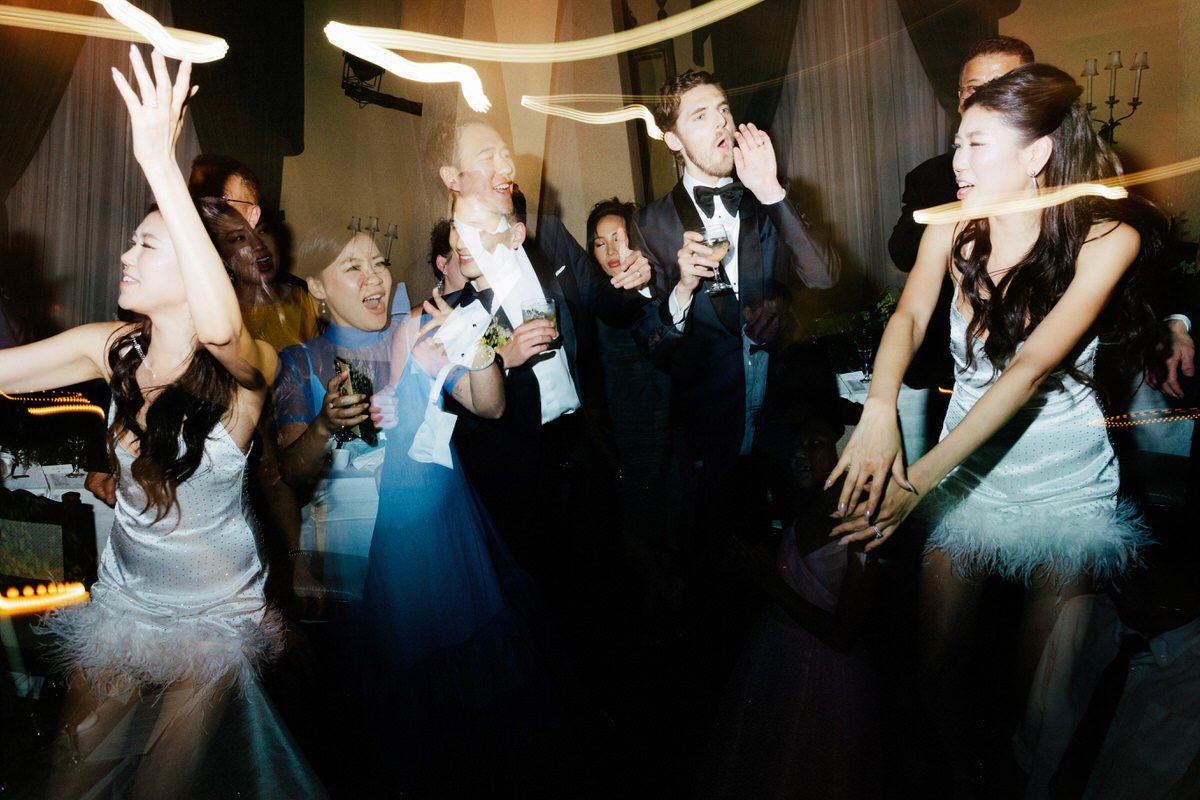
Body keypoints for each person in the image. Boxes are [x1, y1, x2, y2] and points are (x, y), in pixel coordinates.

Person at [827, 63, 1157, 784]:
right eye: (956, 143)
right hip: (972, 476)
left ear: (1036, 155)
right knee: (935, 672)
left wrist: (917, 481)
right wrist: (881, 408)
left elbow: (1031, 366)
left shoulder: (1107, 239)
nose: (956, 161)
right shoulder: (952, 226)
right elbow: (910, 315)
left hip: (1066, 482)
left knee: (1046, 700)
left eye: (977, 145)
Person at [3, 49, 319, 797]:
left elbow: (217, 329)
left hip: (214, 615)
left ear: (194, 263)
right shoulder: (110, 347)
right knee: (70, 780)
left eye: (146, 244)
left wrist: (160, 164)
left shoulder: (255, 369)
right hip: (126, 598)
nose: (123, 253)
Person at [429, 117, 651, 594]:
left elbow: (606, 303)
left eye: (504, 153)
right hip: (518, 464)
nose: (504, 163)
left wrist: (641, 280)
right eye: (487, 155)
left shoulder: (546, 235)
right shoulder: (451, 268)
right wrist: (500, 356)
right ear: (453, 177)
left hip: (581, 438)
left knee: (610, 581)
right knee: (549, 595)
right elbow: (456, 402)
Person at [632, 69, 839, 489]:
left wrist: (771, 192)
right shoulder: (649, 225)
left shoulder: (769, 196)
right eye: (701, 116)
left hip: (784, 428)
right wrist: (684, 291)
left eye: (724, 110)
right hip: (707, 436)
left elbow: (823, 278)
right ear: (673, 139)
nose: (722, 122)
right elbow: (653, 346)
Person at [701, 410, 879, 799]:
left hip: (825, 680)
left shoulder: (863, 531)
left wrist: (772, 584)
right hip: (774, 659)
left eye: (814, 444)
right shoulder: (803, 511)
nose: (799, 453)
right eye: (797, 444)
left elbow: (844, 635)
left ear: (847, 452)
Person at [887, 37, 1034, 455]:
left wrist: (1176, 322)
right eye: (974, 88)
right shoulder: (934, 176)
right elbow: (901, 255)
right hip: (955, 373)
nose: (987, 96)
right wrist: (965, 199)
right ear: (959, 99)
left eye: (1003, 83)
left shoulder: (1068, 176)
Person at [273, 228, 403, 600]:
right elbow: (291, 475)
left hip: (412, 537)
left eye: (379, 263)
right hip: (339, 546)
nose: (374, 277)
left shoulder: (411, 339)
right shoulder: (297, 361)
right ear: (317, 287)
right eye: (352, 267)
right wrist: (324, 425)